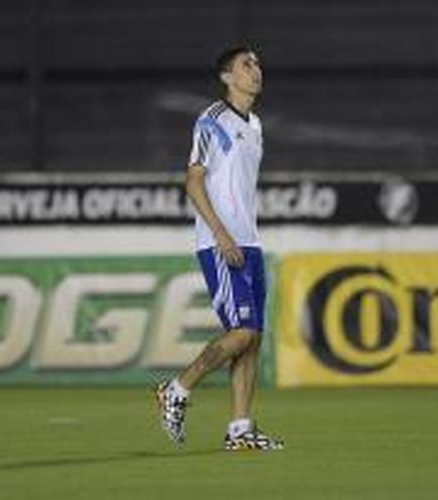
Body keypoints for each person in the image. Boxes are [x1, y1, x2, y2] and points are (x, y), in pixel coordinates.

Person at [154, 46, 284, 451]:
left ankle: (240, 430)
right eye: (247, 65)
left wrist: (240, 235)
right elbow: (194, 180)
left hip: (250, 241)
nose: (256, 70)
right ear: (228, 78)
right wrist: (221, 233)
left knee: (253, 338)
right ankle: (177, 388)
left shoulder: (256, 124)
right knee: (242, 332)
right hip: (220, 242)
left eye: (258, 63)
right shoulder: (212, 120)